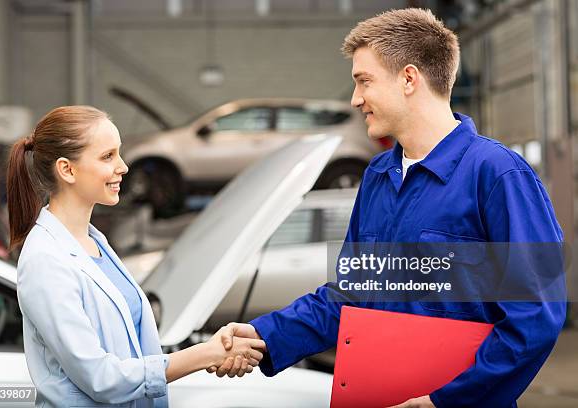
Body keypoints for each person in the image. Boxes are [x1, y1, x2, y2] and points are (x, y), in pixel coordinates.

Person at [212, 8, 567, 408]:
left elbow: (534, 318)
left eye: (364, 81)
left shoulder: (499, 175)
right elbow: (349, 297)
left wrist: (445, 401)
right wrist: (262, 336)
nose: (355, 99)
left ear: (409, 79)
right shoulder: (379, 175)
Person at [7, 106, 266, 407]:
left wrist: (214, 350)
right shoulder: (45, 260)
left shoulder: (94, 241)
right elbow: (101, 378)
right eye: (108, 156)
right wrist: (205, 354)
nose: (123, 167)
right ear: (67, 169)